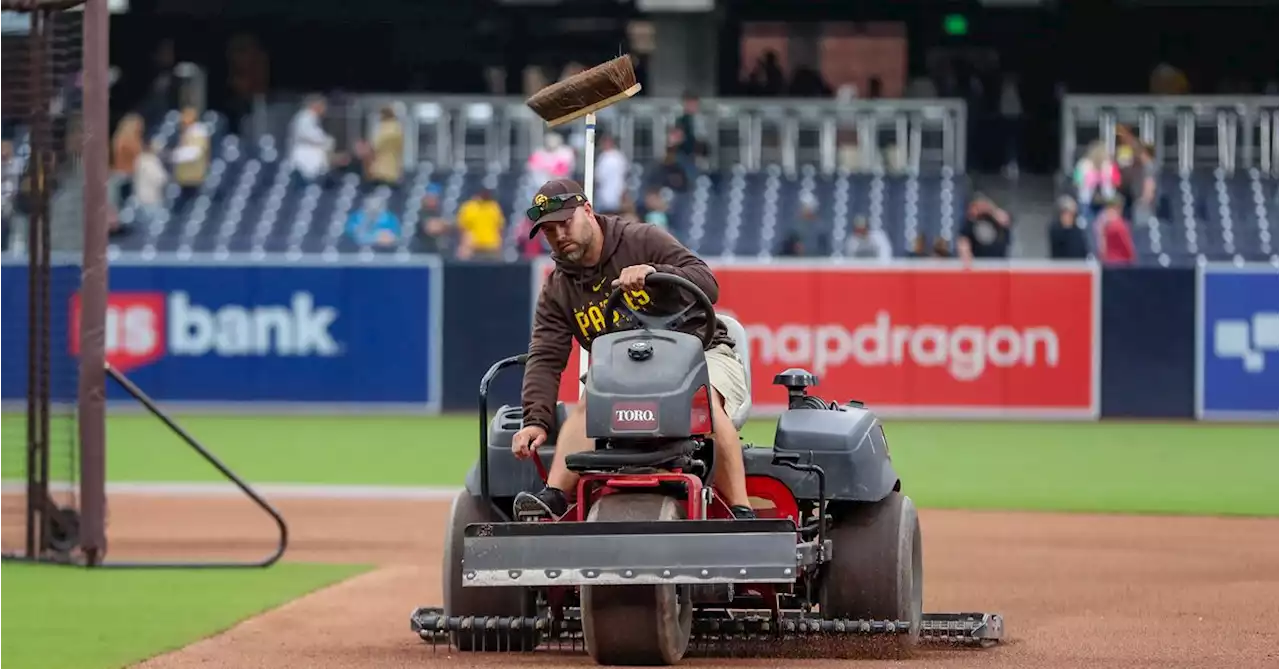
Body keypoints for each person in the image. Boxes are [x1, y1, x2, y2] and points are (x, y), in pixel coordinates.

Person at [511, 178, 756, 521]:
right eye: (549, 231)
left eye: (565, 223)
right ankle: (553, 497)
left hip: (699, 352)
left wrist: (657, 271)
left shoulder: (643, 239)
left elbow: (707, 283)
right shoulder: (557, 288)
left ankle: (741, 510)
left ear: (588, 211)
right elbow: (546, 356)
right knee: (588, 402)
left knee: (704, 402)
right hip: (626, 369)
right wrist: (535, 421)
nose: (559, 235)